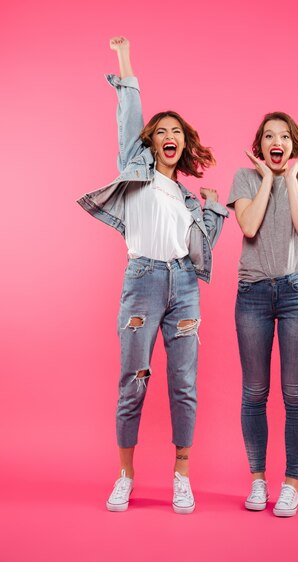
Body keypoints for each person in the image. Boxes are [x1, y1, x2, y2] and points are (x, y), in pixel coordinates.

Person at [77, 37, 228, 514]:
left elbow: (203, 252)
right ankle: (125, 475)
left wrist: (215, 210)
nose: (168, 135)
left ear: (182, 145)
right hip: (142, 281)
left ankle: (181, 476)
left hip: (184, 287)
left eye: (175, 132)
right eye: (160, 130)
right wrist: (125, 62)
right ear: (151, 141)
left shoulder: (186, 200)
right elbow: (129, 118)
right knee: (133, 379)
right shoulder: (136, 169)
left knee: (183, 383)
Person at [227, 112, 298, 517]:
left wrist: (289, 176)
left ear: (293, 144)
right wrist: (267, 176)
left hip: (297, 293)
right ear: (260, 145)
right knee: (254, 393)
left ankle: (291, 484)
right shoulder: (245, 178)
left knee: (295, 393)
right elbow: (249, 226)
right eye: (269, 135)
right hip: (252, 293)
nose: (277, 140)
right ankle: (258, 482)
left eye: (284, 136)